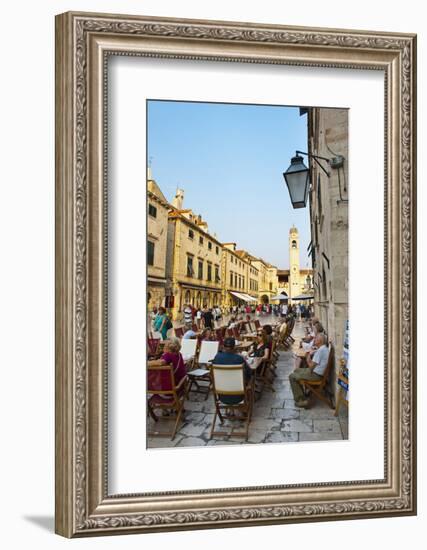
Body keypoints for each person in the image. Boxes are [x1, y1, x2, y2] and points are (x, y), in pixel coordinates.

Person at [289, 333, 330, 407]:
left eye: (316, 338)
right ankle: (301, 394)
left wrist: (308, 355)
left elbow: (311, 366)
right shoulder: (323, 349)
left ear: (320, 341)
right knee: (297, 370)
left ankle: (301, 400)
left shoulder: (320, 351)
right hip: (317, 372)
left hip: (316, 375)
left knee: (292, 377)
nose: (314, 339)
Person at [211, 337, 253, 405]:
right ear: (234, 347)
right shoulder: (239, 358)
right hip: (239, 395)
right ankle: (245, 407)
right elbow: (249, 373)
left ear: (223, 346)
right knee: (250, 379)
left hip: (222, 395)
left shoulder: (217, 357)